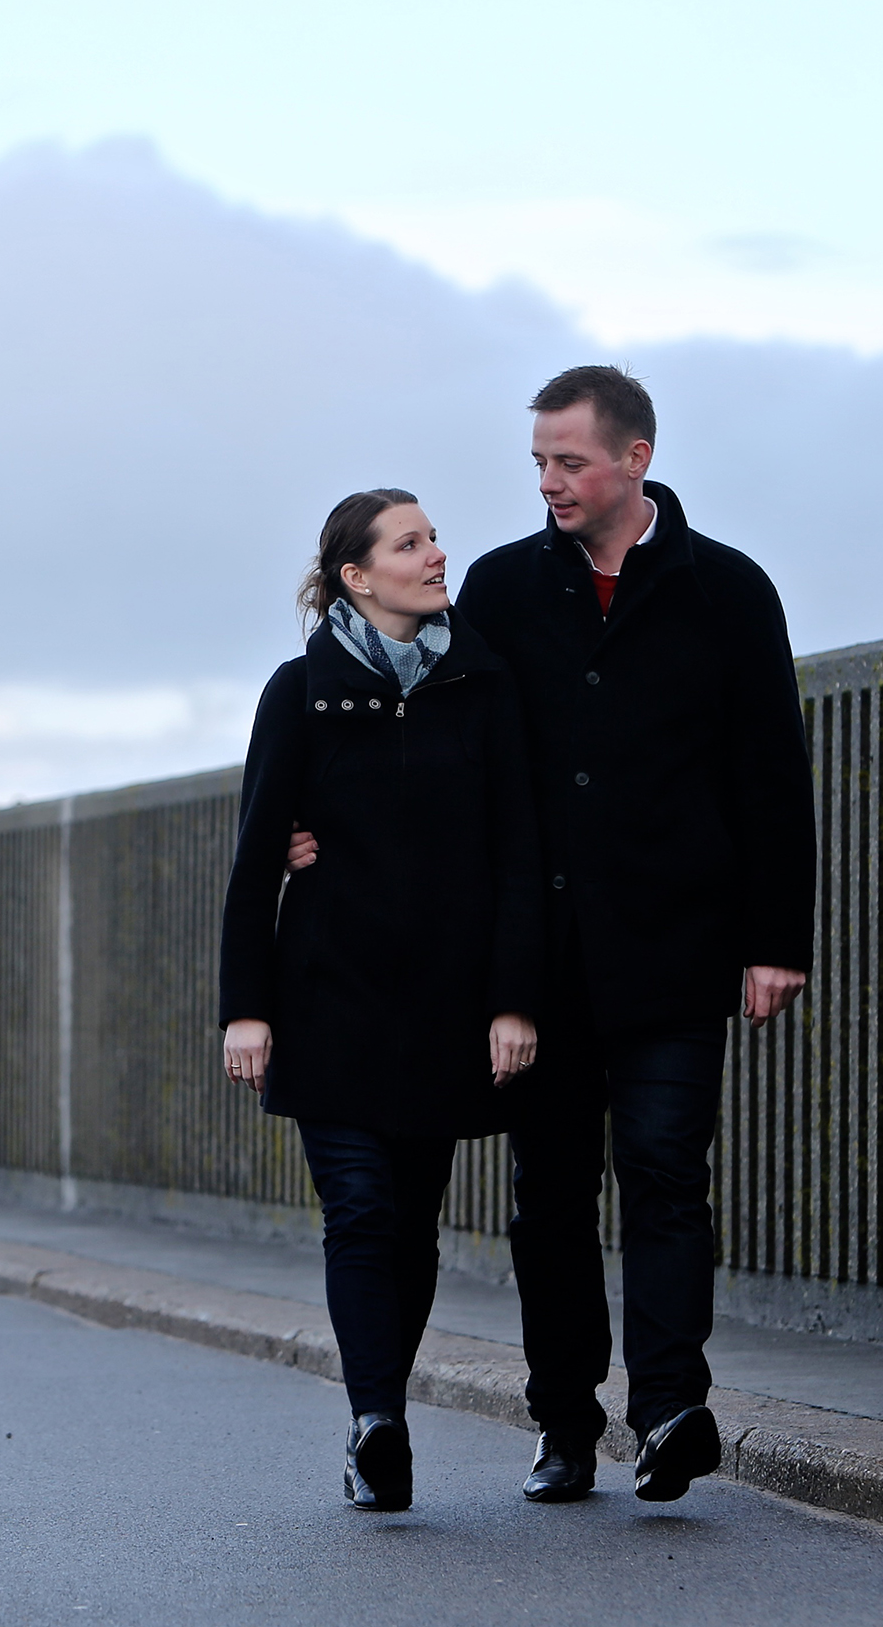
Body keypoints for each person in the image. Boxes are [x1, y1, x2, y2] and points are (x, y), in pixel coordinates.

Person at [288, 368, 815, 1506]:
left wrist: (777, 939)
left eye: (568, 462)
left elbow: (773, 774)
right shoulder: (502, 586)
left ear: (635, 458)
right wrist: (314, 822)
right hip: (540, 957)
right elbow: (424, 722)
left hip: (678, 945)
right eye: (538, 461)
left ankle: (668, 1408)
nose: (548, 482)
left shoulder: (729, 589)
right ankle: (566, 1423)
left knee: (668, 1174)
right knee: (553, 1199)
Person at [219, 488, 544, 1512]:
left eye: (434, 537)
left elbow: (520, 855)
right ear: (357, 577)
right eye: (411, 543)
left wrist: (513, 1001)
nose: (436, 553)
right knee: (359, 1209)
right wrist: (246, 1007)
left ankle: (381, 1408)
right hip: (330, 1000)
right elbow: (255, 854)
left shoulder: (482, 684)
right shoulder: (301, 691)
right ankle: (376, 1422)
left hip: (447, 1004)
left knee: (410, 1224)